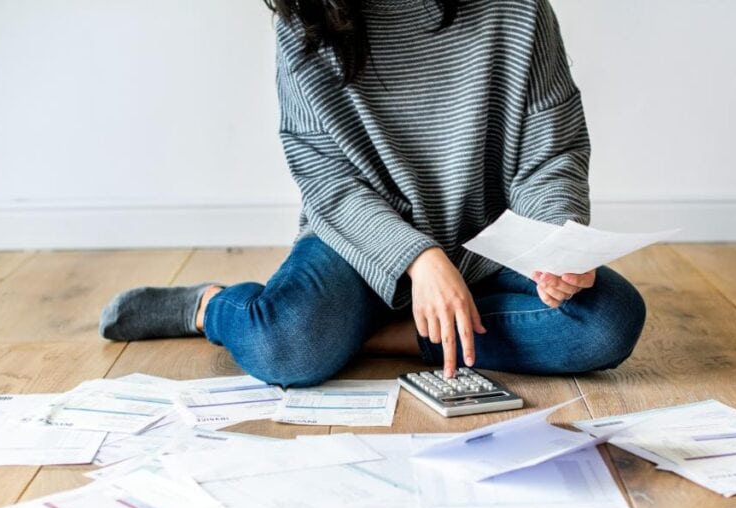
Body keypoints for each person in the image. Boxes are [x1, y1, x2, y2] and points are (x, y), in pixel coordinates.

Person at [100, 0, 646, 387]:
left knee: (608, 320)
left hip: (488, 246)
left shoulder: (518, 8)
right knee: (284, 344)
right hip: (358, 243)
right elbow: (326, 178)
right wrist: (419, 259)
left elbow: (553, 148)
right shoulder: (306, 19)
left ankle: (375, 336)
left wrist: (554, 248)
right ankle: (209, 306)